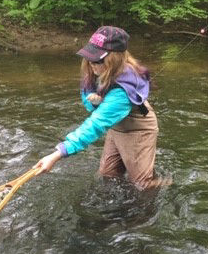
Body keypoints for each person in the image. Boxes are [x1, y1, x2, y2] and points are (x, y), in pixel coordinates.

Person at [34, 26, 163, 190]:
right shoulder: (94, 70)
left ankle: (164, 184)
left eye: (97, 59)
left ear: (114, 59)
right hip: (116, 125)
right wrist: (95, 103)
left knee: (141, 185)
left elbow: (96, 124)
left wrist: (58, 154)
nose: (92, 63)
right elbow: (89, 105)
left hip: (137, 129)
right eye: (89, 57)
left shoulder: (123, 90)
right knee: (107, 175)